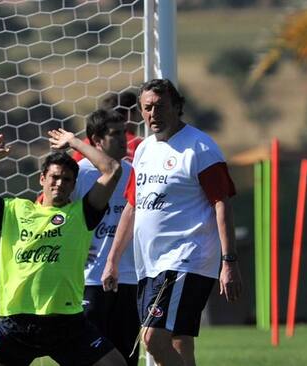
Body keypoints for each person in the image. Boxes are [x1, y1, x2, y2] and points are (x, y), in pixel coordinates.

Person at [102, 79, 242, 366]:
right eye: (147, 108)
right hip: (150, 264)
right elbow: (133, 206)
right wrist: (112, 259)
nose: (153, 114)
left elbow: (221, 203)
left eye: (160, 106)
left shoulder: (200, 148)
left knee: (153, 339)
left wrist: (229, 262)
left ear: (177, 107)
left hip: (186, 259)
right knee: (180, 341)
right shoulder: (143, 150)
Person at [0, 130, 126, 366]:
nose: (59, 183)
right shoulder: (16, 210)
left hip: (67, 324)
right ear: (42, 179)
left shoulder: (81, 213)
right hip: (19, 324)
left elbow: (112, 170)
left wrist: (74, 142)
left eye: (67, 179)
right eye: (54, 177)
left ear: (73, 185)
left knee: (116, 364)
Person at [71, 109, 139, 366]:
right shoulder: (78, 174)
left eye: (125, 133)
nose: (125, 139)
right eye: (116, 134)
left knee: (126, 356)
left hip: (130, 278)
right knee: (88, 356)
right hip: (89, 279)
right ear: (96, 140)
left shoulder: (135, 173)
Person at [72, 90, 142, 162]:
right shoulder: (137, 144)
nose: (140, 117)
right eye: (138, 112)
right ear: (129, 114)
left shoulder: (84, 144)